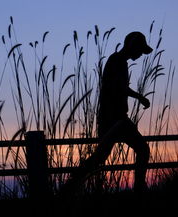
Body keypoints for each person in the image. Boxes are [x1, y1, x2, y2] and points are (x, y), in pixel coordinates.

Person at [61, 31, 152, 195]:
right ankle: (139, 189)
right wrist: (139, 97)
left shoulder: (119, 61)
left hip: (112, 118)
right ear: (132, 46)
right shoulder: (117, 60)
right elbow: (118, 88)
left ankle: (71, 185)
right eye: (140, 50)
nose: (140, 54)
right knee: (141, 150)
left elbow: (118, 87)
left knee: (100, 157)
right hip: (115, 119)